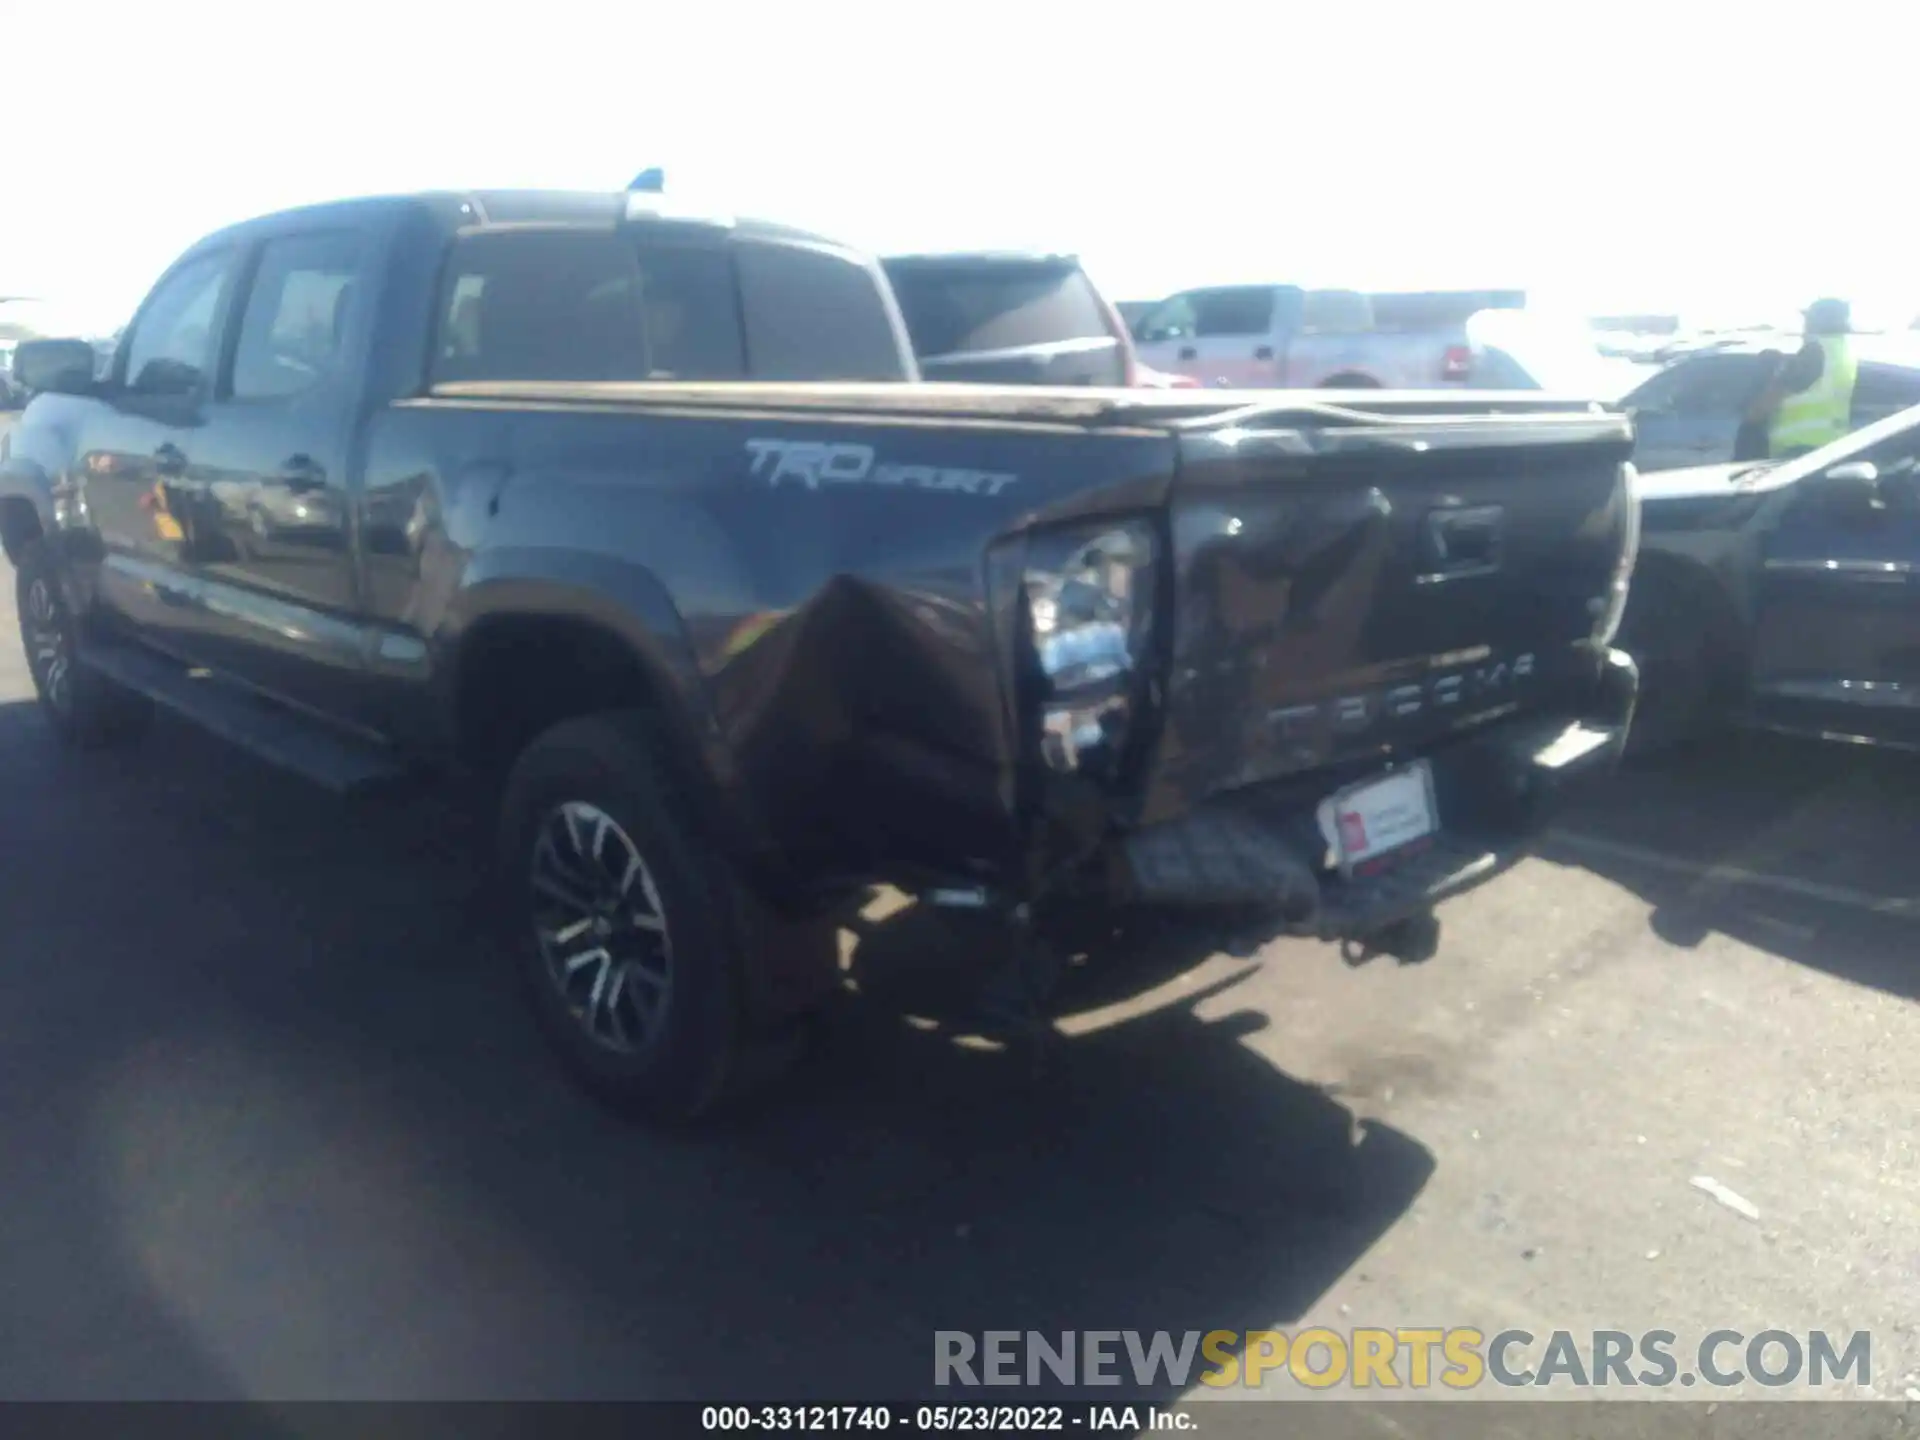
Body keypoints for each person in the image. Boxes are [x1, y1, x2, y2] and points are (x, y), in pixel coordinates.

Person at [1742, 297, 1858, 460]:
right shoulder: (1844, 351)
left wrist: (1749, 422)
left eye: (1808, 320)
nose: (1805, 328)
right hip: (1829, 446)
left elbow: (1771, 398)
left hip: (1799, 448)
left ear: (1817, 321)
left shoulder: (1815, 350)